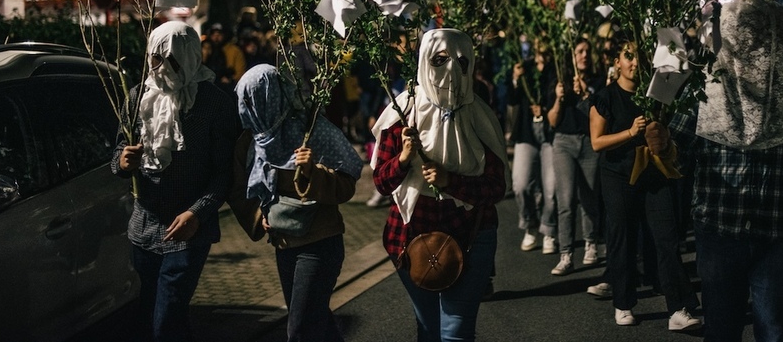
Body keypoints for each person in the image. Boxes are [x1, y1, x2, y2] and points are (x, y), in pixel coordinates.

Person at [669, 0, 783, 342]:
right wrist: (661, 143)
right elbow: (677, 152)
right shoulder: (707, 90)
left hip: (779, 231)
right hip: (720, 228)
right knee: (722, 328)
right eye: (743, 35)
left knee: (776, 329)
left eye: (758, 35)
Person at [370, 28, 509, 342]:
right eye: (439, 60)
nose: (450, 71)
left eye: (460, 62)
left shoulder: (480, 118)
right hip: (410, 237)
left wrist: (452, 182)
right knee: (429, 329)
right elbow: (381, 181)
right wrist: (404, 159)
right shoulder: (401, 114)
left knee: (455, 332)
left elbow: (496, 187)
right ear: (424, 61)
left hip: (472, 235)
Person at [112, 21, 239, 342]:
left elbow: (225, 171)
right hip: (144, 228)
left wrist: (198, 212)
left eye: (168, 59)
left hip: (187, 233)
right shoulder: (137, 97)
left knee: (166, 318)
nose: (159, 67)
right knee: (152, 314)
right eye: (154, 58)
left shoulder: (213, 102)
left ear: (188, 57)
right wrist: (123, 162)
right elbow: (117, 152)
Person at [228, 64, 363, 342]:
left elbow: (347, 184)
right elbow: (238, 187)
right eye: (245, 100)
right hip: (283, 244)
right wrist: (258, 215)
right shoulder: (251, 141)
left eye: (255, 98)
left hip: (319, 244)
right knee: (317, 325)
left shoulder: (310, 129)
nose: (248, 107)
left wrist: (313, 171)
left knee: (299, 330)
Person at [589, 39, 701, 330]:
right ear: (616, 62)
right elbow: (597, 142)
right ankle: (623, 303)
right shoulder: (605, 97)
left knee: (666, 236)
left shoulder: (652, 96)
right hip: (618, 175)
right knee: (623, 236)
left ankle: (678, 308)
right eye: (627, 56)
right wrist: (629, 132)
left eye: (638, 57)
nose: (634, 62)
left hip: (652, 172)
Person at [546, 37, 601, 276]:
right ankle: (566, 254)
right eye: (579, 51)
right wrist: (559, 97)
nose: (584, 56)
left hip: (589, 142)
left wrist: (587, 94)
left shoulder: (598, 81)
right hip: (564, 142)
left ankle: (591, 244)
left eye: (587, 51)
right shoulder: (560, 81)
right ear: (572, 56)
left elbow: (600, 116)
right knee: (566, 201)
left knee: (589, 197)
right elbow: (552, 121)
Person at [508, 46, 558, 255]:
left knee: (551, 187)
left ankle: (548, 229)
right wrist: (515, 79)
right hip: (527, 133)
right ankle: (530, 223)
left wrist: (545, 110)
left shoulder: (556, 69)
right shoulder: (525, 66)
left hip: (550, 135)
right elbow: (511, 99)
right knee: (520, 184)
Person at [201, 22, 247, 95]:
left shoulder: (234, 51)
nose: (216, 37)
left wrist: (230, 79)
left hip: (227, 89)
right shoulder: (207, 48)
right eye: (213, 34)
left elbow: (240, 73)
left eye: (219, 34)